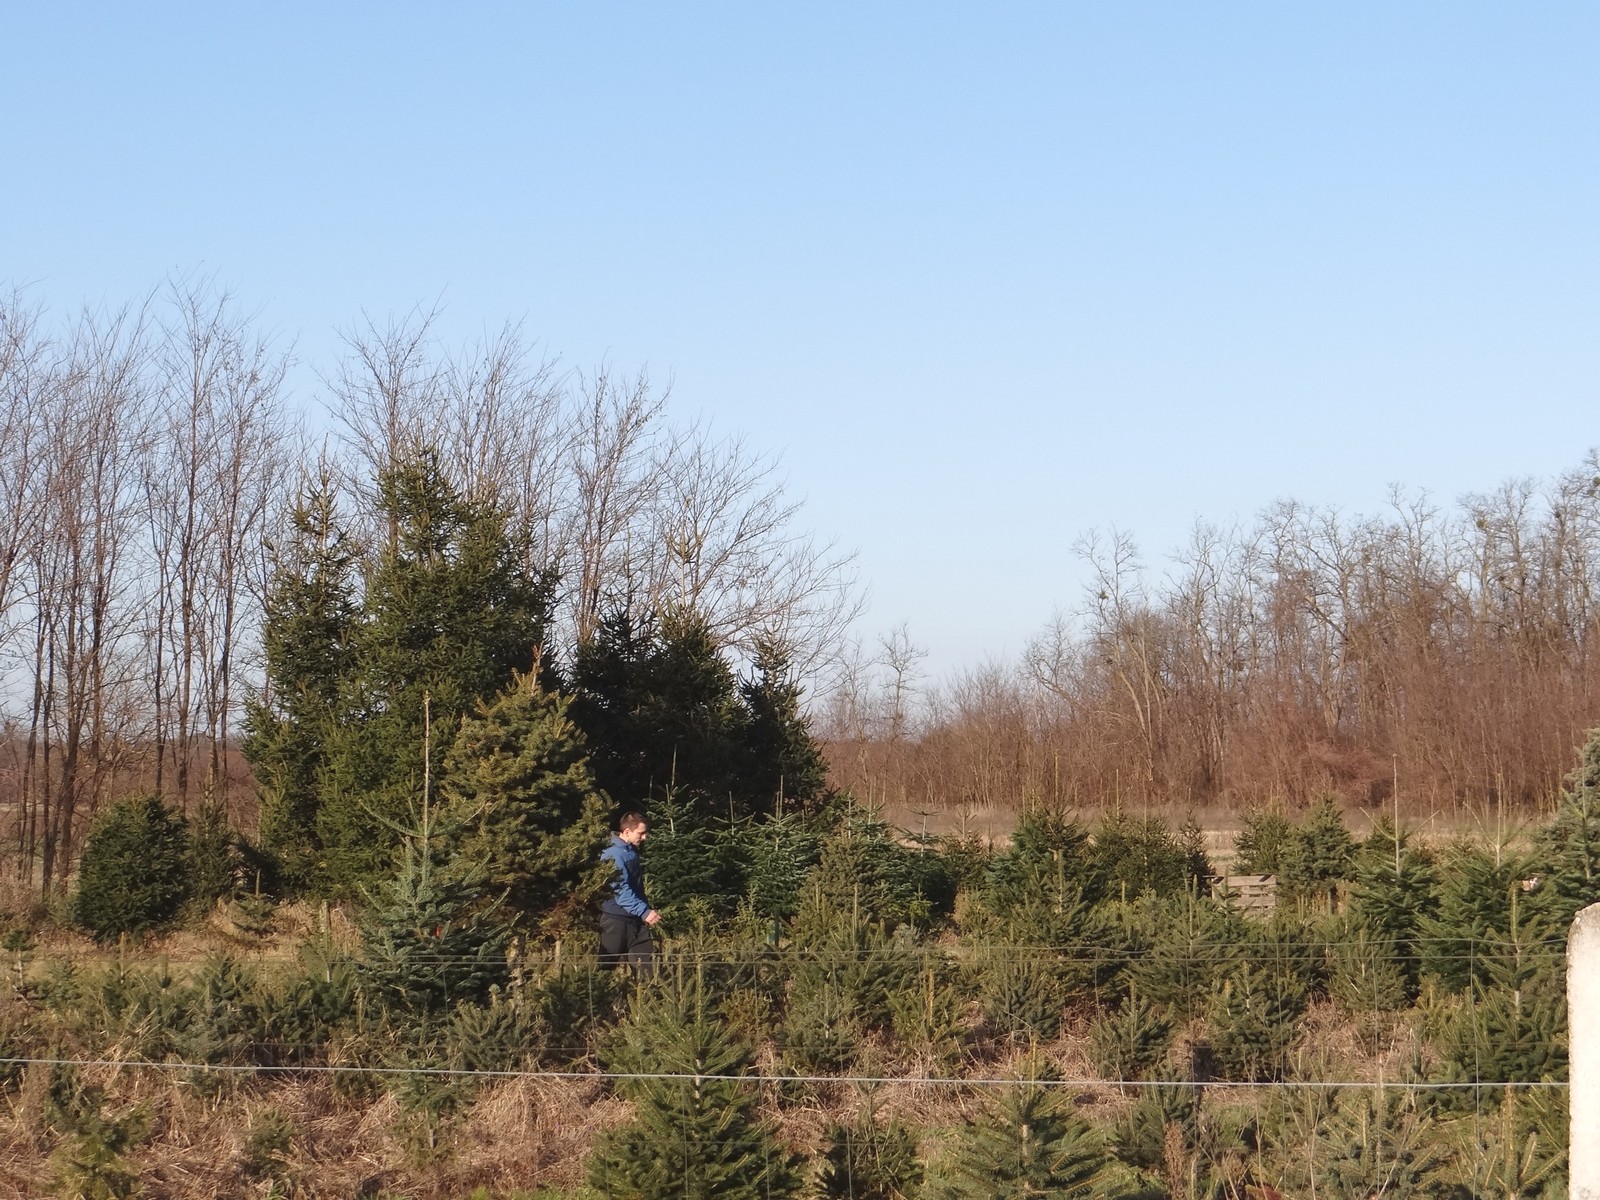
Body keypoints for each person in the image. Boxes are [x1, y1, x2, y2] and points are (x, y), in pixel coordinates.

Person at [598, 810, 660, 972]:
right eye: (641, 833)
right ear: (627, 831)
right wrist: (644, 911)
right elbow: (620, 889)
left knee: (647, 968)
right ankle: (599, 997)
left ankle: (647, 996)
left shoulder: (629, 850)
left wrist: (642, 913)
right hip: (616, 919)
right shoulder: (613, 853)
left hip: (635, 920)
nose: (645, 837)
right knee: (606, 969)